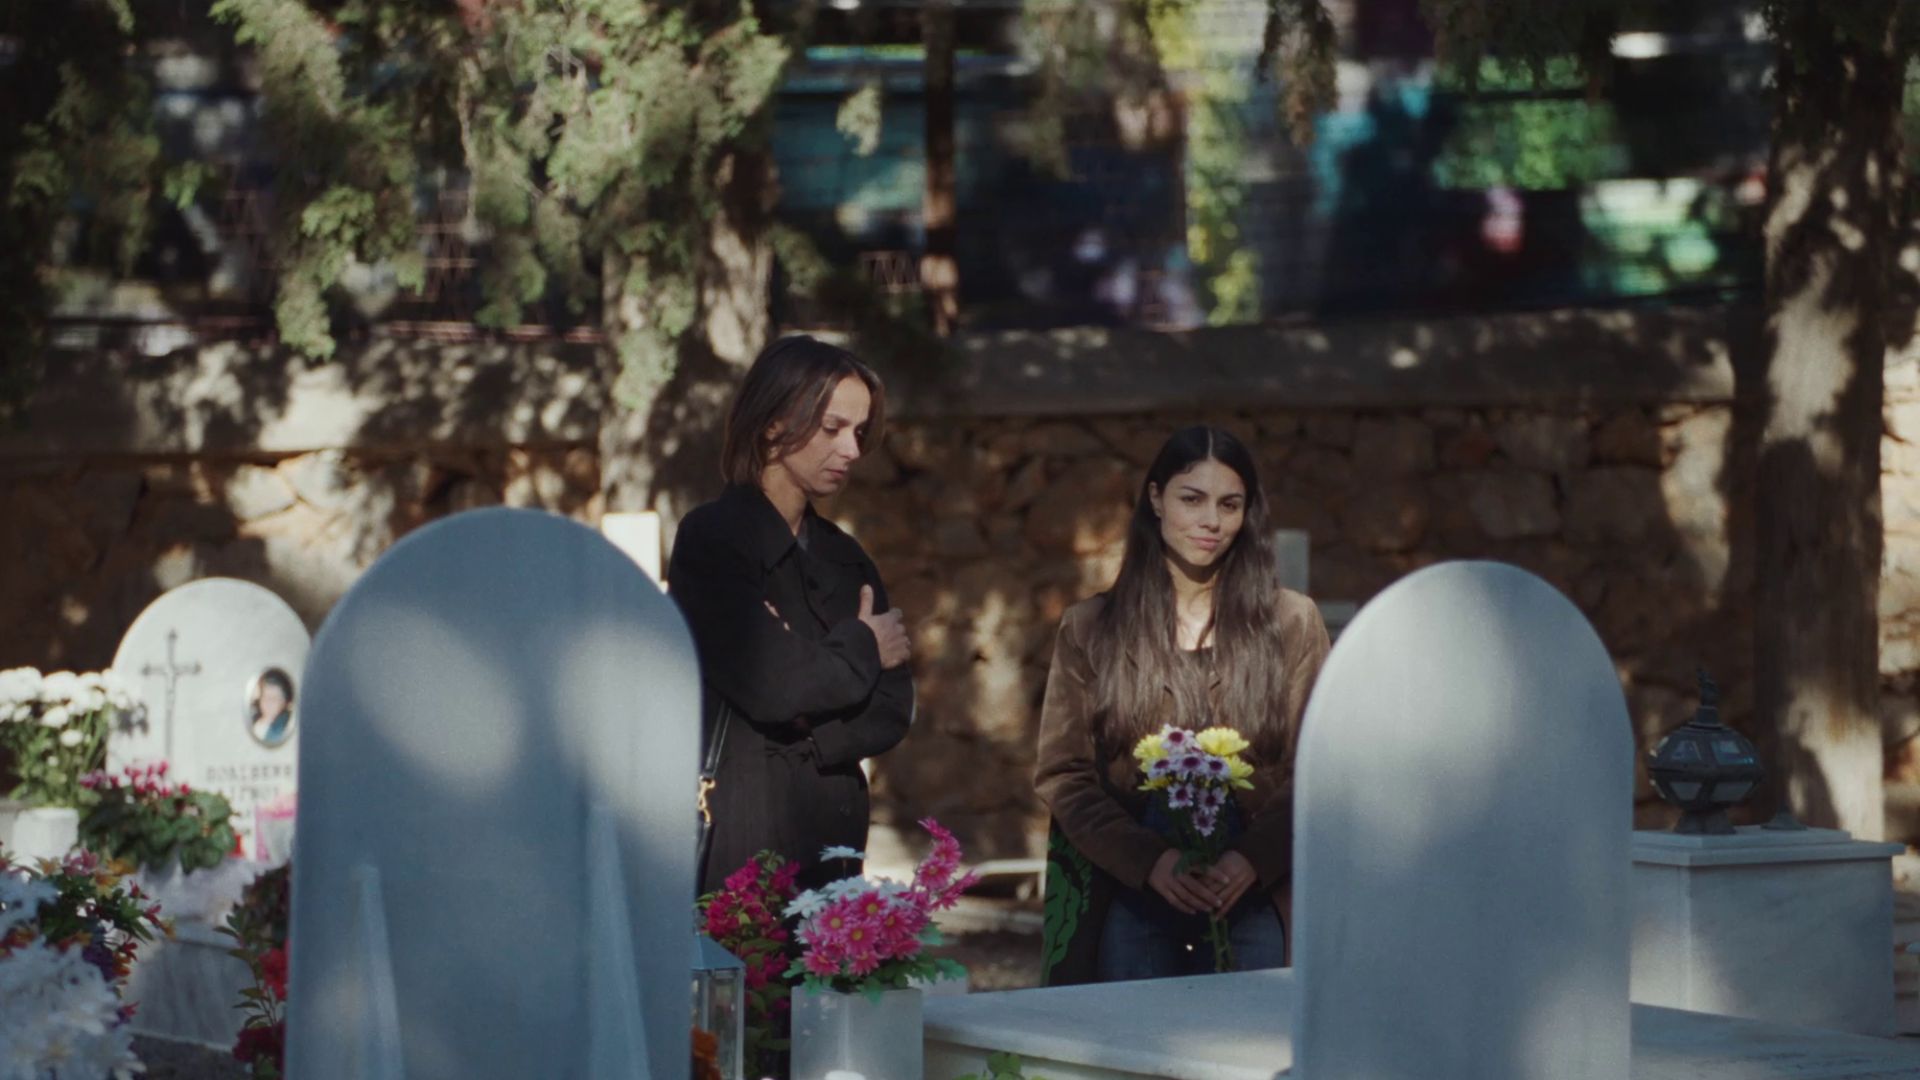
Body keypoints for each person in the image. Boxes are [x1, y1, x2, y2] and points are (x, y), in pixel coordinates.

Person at [1034, 425, 1330, 984]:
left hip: (1253, 890)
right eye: (1192, 499)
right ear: (1156, 499)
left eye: (1229, 504)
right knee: (1135, 1035)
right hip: (1137, 890)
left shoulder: (1291, 622)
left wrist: (1253, 859)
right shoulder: (1091, 627)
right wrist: (1150, 862)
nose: (1210, 521)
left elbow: (1321, 766)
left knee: (1250, 1036)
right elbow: (1063, 774)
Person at [668, 335, 914, 895]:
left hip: (837, 850)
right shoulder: (712, 539)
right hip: (746, 846)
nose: (852, 449)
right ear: (773, 424)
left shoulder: (846, 557)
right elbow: (773, 684)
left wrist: (809, 714)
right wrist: (863, 647)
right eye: (832, 428)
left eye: (859, 431)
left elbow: (893, 708)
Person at [248, 668, 296, 748]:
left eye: (274, 698)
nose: (268, 702)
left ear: (284, 703)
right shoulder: (253, 718)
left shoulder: (284, 728)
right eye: (265, 696)